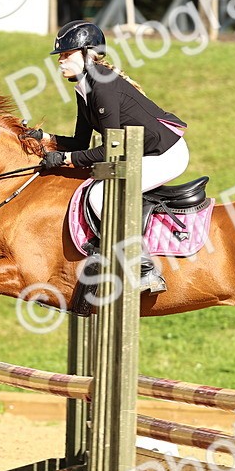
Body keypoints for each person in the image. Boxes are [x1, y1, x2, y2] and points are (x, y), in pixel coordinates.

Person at [37, 20, 189, 294]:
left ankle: (144, 269)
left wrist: (65, 159)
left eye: (66, 54)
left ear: (87, 54)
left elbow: (110, 149)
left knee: (101, 195)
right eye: (60, 55)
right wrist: (45, 139)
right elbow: (81, 142)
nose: (60, 60)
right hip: (141, 152)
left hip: (165, 154)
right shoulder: (85, 86)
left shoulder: (102, 87)